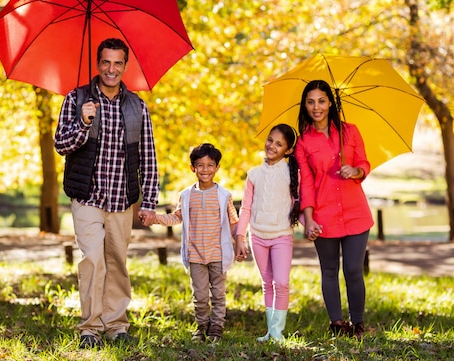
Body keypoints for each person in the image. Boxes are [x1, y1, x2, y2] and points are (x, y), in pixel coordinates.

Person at [54, 37, 159, 349]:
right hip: (87, 196)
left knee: (116, 262)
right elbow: (62, 144)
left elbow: (148, 157)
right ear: (97, 64)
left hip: (121, 200)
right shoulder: (77, 99)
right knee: (93, 260)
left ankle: (116, 325)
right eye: (106, 62)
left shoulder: (137, 106)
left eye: (117, 63)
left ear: (125, 67)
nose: (111, 69)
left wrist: (149, 201)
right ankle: (89, 328)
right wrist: (84, 122)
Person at [294, 79, 373, 339]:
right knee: (329, 270)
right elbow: (305, 182)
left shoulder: (350, 132)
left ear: (330, 103)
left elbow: (364, 162)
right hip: (323, 215)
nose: (316, 107)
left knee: (353, 269)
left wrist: (356, 170)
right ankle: (338, 325)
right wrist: (308, 219)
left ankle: (358, 323)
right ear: (305, 106)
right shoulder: (303, 143)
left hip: (355, 212)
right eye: (310, 101)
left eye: (321, 101)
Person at [143, 143, 239, 343]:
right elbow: (177, 218)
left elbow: (234, 222)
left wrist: (241, 243)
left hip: (218, 254)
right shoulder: (186, 195)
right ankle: (202, 326)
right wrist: (157, 218)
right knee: (200, 295)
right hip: (195, 254)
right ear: (192, 168)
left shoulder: (224, 196)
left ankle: (216, 329)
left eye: (210, 165)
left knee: (219, 295)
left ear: (217, 167)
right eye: (200, 165)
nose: (205, 170)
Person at [235, 123, 300, 342]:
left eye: (279, 144)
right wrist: (240, 237)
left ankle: (277, 332)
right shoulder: (253, 174)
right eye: (270, 140)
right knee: (267, 283)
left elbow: (298, 205)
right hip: (258, 237)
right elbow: (245, 208)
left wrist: (310, 224)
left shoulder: (293, 174)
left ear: (288, 150)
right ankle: (270, 331)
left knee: (281, 282)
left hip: (282, 235)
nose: (272, 146)